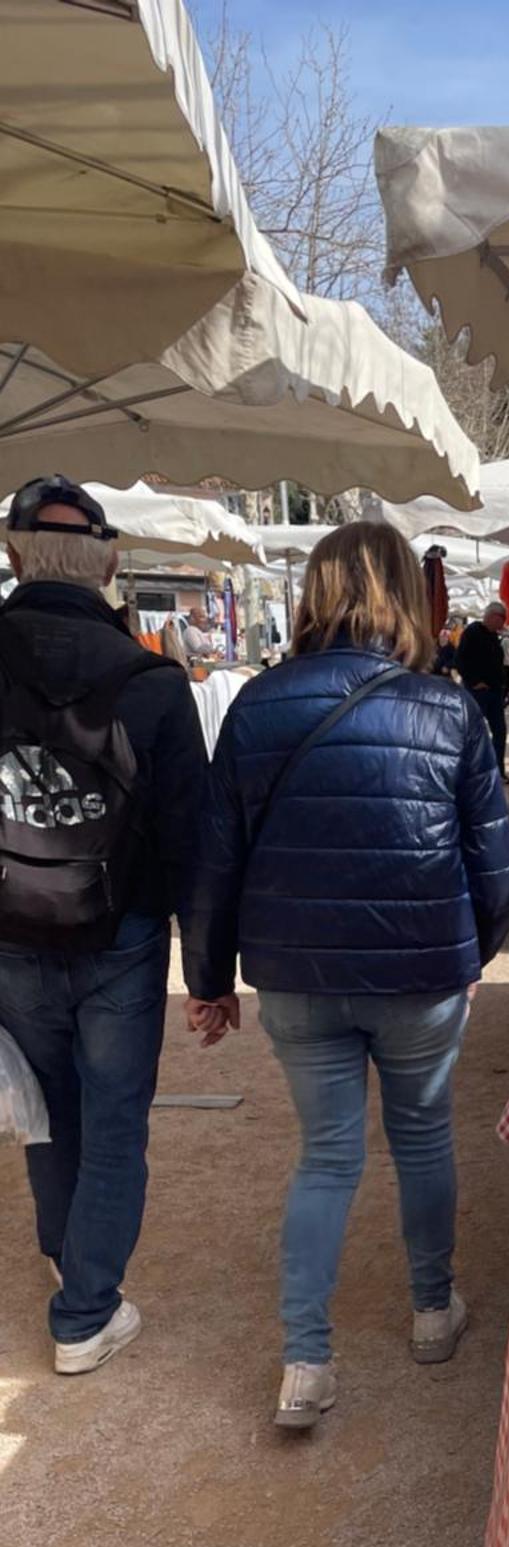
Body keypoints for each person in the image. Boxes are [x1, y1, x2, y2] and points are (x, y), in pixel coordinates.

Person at [182, 522, 509, 1431]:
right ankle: (431, 1313)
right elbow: (495, 863)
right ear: (408, 597)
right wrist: (474, 955)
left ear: (315, 593)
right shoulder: (447, 709)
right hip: (420, 975)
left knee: (326, 1158)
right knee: (421, 1139)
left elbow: (215, 859)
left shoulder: (256, 703)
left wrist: (208, 979)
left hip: (295, 973)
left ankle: (305, 1361)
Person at [0, 475, 207, 1373]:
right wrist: (207, 967)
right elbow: (193, 835)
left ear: (13, 554)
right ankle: (84, 1310)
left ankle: (70, 1259)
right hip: (121, 933)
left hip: (9, 925)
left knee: (48, 1110)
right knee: (115, 1118)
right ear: (110, 563)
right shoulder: (152, 682)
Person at [455, 601, 509, 756]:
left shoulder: (493, 636)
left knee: (499, 732)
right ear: (493, 616)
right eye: (502, 619)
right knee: (473, 732)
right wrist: (474, 682)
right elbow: (459, 660)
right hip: (478, 692)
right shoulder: (472, 632)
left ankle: (497, 769)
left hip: (494, 692)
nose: (503, 623)